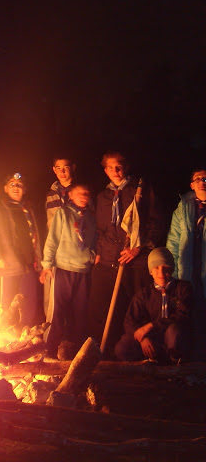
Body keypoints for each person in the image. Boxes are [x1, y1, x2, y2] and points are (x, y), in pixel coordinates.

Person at [87, 151, 164, 358]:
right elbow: (101, 229)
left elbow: (155, 223)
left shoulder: (140, 190)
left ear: (126, 167)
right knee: (102, 310)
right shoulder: (103, 196)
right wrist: (101, 254)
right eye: (110, 167)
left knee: (138, 309)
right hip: (109, 261)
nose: (115, 171)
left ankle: (141, 355)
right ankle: (101, 355)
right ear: (105, 171)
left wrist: (138, 248)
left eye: (119, 166)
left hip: (135, 261)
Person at [40, 183, 96, 357]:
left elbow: (93, 241)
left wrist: (93, 256)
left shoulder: (91, 218)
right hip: (63, 268)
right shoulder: (63, 213)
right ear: (70, 195)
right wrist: (47, 264)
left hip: (83, 270)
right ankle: (48, 350)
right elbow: (53, 239)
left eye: (86, 193)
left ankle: (73, 353)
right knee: (58, 312)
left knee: (79, 314)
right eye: (79, 193)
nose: (83, 196)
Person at [0, 173, 43, 328]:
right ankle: (3, 338)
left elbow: (35, 235)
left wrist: (39, 261)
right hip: (9, 265)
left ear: (24, 189)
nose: (16, 188)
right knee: (7, 305)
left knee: (29, 303)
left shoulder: (28, 209)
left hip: (29, 265)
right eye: (12, 184)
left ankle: (24, 338)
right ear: (5, 189)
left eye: (19, 185)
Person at [114, 248, 192, 363]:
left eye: (165, 268)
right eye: (156, 268)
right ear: (150, 271)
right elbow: (129, 321)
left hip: (173, 340)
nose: (161, 273)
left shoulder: (183, 289)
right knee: (123, 346)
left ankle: (174, 367)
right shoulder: (144, 294)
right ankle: (142, 370)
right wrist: (143, 339)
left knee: (174, 331)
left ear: (172, 268)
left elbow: (182, 316)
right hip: (152, 340)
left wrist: (152, 325)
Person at [166, 168, 206, 361]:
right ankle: (188, 363)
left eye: (205, 178)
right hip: (188, 270)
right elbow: (174, 241)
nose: (202, 181)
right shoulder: (183, 207)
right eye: (197, 179)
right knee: (188, 315)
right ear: (192, 185)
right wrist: (171, 272)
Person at [45, 157, 76, 230]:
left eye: (66, 167)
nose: (62, 171)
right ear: (54, 170)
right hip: (57, 239)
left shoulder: (80, 191)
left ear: (73, 168)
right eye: (58, 168)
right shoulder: (51, 195)